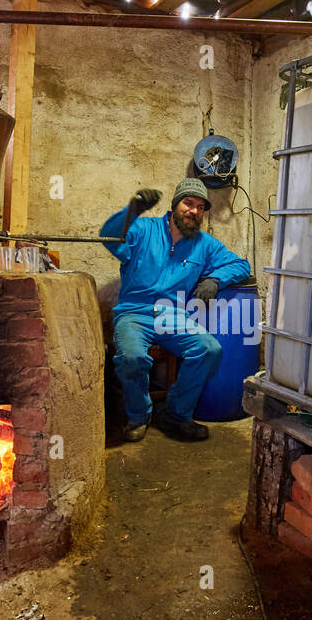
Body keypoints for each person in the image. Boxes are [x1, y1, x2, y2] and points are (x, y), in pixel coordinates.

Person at [101, 178, 251, 442]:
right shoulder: (144, 229)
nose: (194, 211)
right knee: (131, 358)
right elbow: (111, 238)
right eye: (188, 203)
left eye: (200, 207)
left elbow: (241, 265)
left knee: (208, 349)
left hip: (173, 314)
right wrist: (132, 210)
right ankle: (139, 415)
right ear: (175, 206)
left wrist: (215, 280)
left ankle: (176, 413)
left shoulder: (205, 244)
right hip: (135, 312)